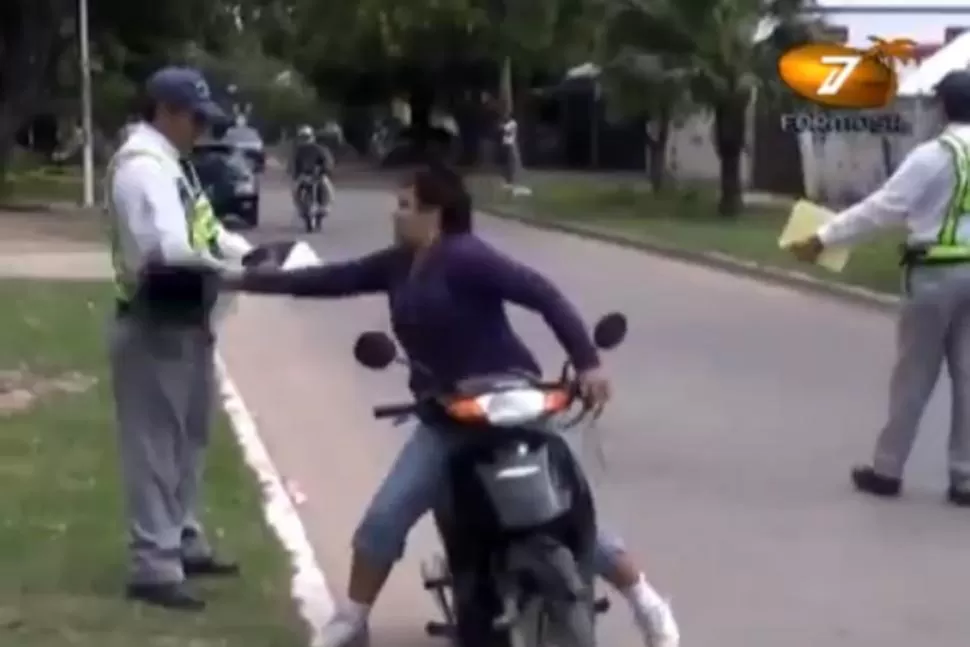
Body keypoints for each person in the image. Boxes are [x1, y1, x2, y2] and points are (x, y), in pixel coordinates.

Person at [221, 164, 681, 647]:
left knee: (562, 507)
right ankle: (352, 620)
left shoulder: (467, 257)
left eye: (405, 206)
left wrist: (587, 362)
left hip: (513, 401)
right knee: (386, 517)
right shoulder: (398, 263)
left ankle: (647, 603)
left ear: (435, 212)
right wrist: (243, 281)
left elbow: (543, 295)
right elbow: (331, 279)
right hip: (449, 413)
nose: (396, 215)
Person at [105, 66, 254, 611]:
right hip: (154, 318)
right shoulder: (142, 169)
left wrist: (252, 257)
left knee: (189, 440)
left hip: (188, 317)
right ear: (165, 111)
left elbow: (207, 231)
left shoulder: (174, 166)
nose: (200, 128)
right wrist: (232, 269)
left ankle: (181, 537)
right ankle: (153, 562)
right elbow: (166, 249)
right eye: (195, 117)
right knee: (154, 445)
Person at [784, 70, 970, 505]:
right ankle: (964, 479)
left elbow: (884, 208)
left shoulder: (935, 155)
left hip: (934, 277)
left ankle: (887, 470)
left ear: (943, 107)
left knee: (913, 375)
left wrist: (825, 237)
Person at [289, 124, 335, 215]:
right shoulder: (298, 150)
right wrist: (294, 173)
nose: (305, 139)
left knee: (328, 189)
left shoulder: (320, 148)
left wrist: (325, 169)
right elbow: (293, 163)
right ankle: (301, 209)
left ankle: (326, 206)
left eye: (306, 137)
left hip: (318, 174)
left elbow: (327, 160)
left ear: (312, 136)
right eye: (302, 137)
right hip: (304, 175)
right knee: (295, 191)